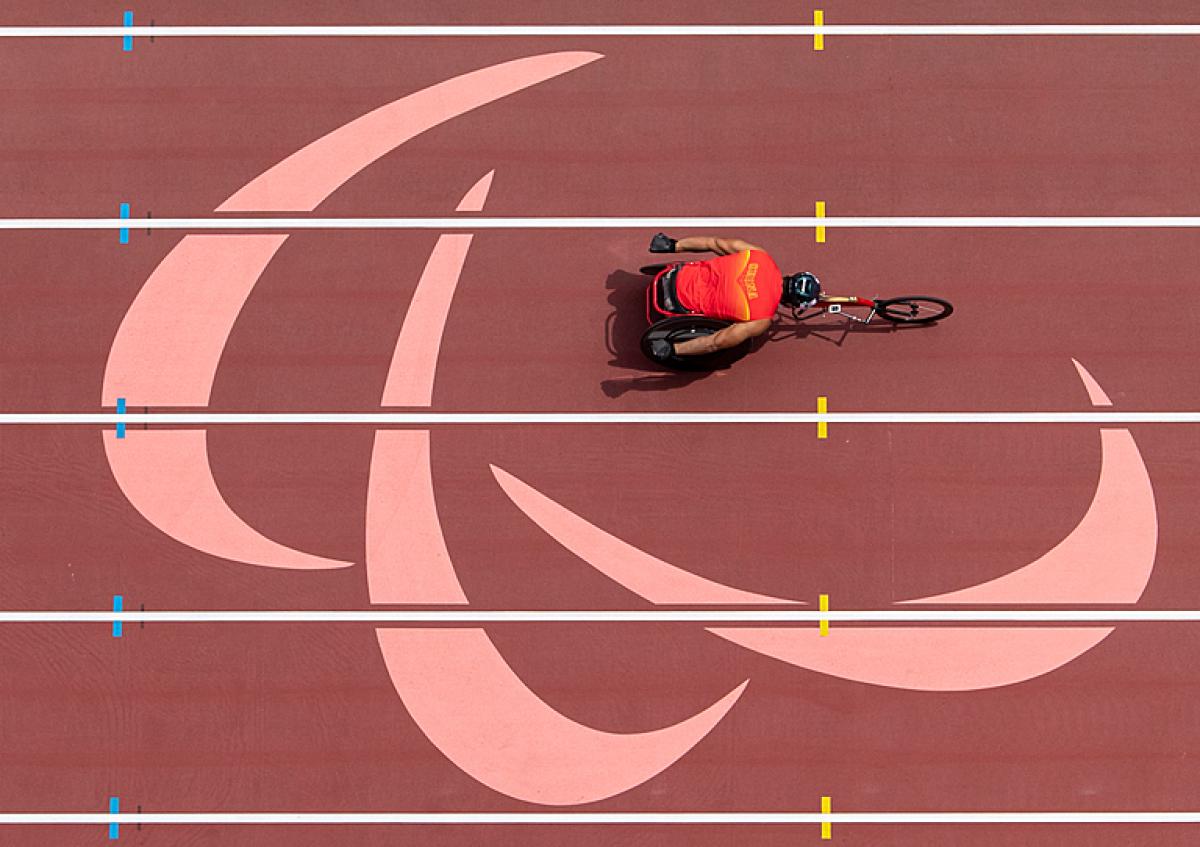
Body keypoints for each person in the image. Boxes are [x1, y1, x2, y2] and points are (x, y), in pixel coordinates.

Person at [645, 232, 818, 359]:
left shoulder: (760, 256)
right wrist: (673, 349)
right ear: (793, 303)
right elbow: (717, 342)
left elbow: (713, 243)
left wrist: (674, 245)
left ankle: (666, 244)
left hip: (673, 274)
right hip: (672, 304)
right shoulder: (762, 319)